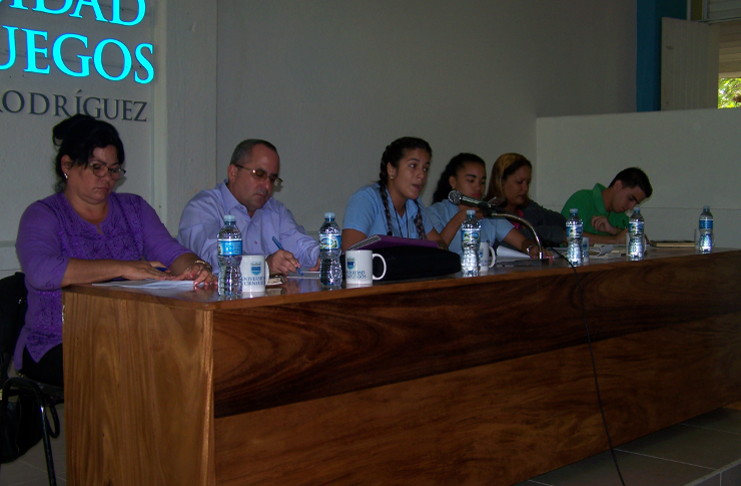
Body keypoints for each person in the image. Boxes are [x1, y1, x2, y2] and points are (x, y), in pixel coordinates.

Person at [15, 115, 215, 387]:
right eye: (96, 167)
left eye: (113, 170)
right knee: (127, 366)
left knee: (193, 353)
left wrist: (195, 266)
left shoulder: (133, 208)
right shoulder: (42, 214)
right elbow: (41, 272)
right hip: (56, 341)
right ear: (67, 165)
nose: (106, 178)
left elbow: (170, 251)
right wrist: (123, 267)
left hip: (129, 333)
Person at [178, 139, 319, 275]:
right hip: (218, 297)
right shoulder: (202, 208)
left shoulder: (275, 210)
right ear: (233, 172)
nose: (267, 186)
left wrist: (321, 257)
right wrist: (264, 265)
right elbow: (214, 259)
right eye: (259, 174)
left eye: (272, 179)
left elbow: (301, 245)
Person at [428, 153, 541, 258]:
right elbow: (436, 252)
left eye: (482, 182)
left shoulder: (487, 212)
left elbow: (521, 242)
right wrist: (461, 217)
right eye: (471, 181)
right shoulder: (436, 212)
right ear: (453, 182)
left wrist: (531, 248)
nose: (478, 187)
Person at [342, 136, 444, 250]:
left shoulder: (415, 205)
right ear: (391, 170)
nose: (422, 175)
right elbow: (350, 253)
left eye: (425, 168)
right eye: (413, 166)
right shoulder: (366, 199)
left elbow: (439, 244)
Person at [485, 153, 566, 247]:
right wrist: (551, 233)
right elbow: (503, 245)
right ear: (501, 182)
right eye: (519, 182)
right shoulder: (488, 213)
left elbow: (562, 222)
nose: (525, 188)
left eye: (528, 182)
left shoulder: (529, 209)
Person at [560, 167, 653, 245]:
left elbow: (642, 240)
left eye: (635, 204)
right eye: (630, 199)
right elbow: (564, 236)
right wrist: (614, 240)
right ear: (618, 185)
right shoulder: (582, 199)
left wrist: (614, 231)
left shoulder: (620, 214)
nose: (631, 207)